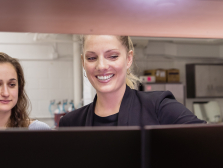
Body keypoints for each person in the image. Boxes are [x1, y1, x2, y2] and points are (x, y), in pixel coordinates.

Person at [59, 35, 205, 127]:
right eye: (91, 58)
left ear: (128, 59)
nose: (101, 66)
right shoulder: (71, 123)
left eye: (113, 56)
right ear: (83, 62)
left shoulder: (159, 107)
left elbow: (210, 143)